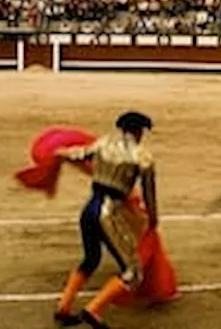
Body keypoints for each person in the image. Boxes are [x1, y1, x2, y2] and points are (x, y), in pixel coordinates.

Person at [52, 111, 159, 329]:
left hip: (88, 210)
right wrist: (153, 220)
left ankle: (63, 308)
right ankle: (93, 310)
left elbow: (76, 154)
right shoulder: (143, 156)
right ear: (139, 132)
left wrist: (57, 152)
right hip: (109, 214)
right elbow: (149, 195)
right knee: (133, 272)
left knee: (90, 259)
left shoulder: (103, 144)